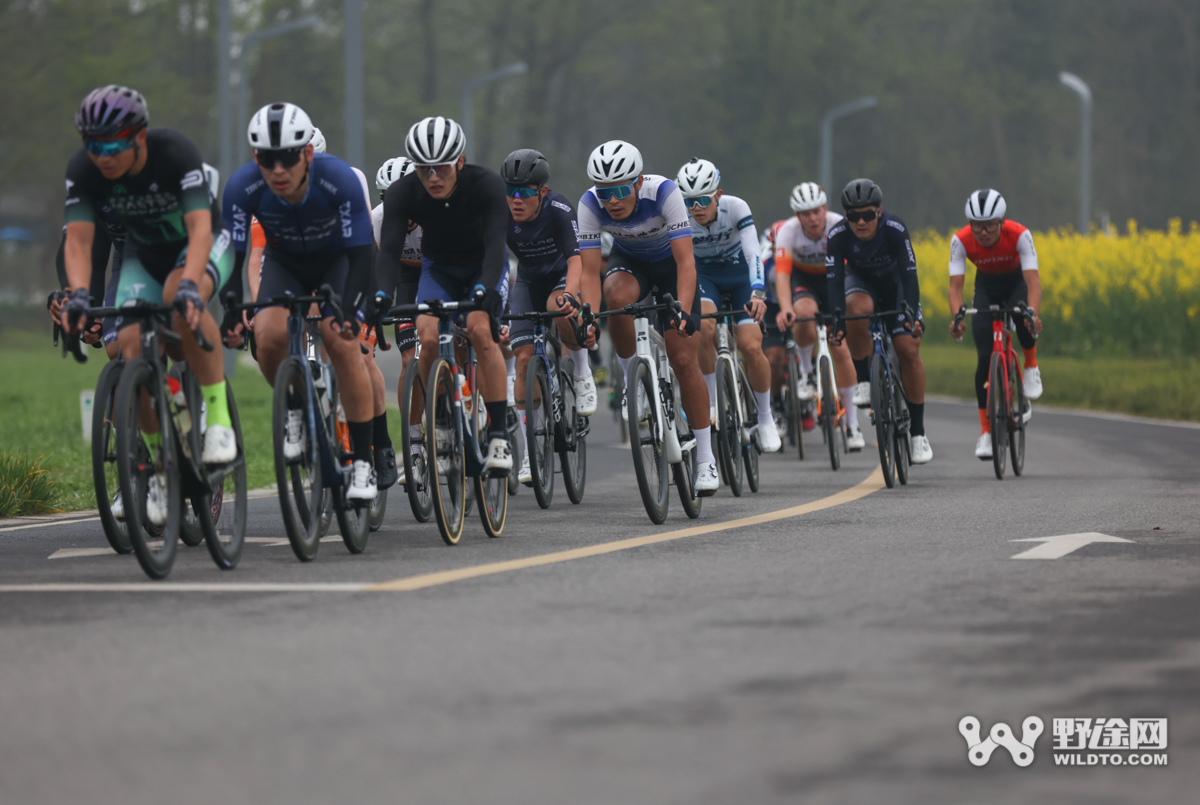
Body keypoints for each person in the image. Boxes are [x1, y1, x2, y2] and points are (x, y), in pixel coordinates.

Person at [61, 85, 237, 524]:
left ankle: (217, 418)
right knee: (132, 347)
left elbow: (200, 230)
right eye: (92, 144)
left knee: (180, 302)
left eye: (112, 144)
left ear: (139, 137)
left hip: (199, 243)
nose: (102, 155)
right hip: (143, 254)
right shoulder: (84, 170)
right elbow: (79, 242)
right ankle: (160, 467)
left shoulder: (174, 151)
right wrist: (79, 295)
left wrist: (194, 285)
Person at [223, 102, 379, 500]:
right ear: (255, 156)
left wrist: (351, 307)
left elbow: (363, 254)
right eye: (267, 159)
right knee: (268, 336)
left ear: (307, 153)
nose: (278, 170)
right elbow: (235, 255)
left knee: (341, 342)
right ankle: (294, 407)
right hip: (286, 263)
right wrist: (232, 307)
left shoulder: (339, 179)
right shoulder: (243, 186)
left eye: (288, 159)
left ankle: (362, 462)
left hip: (336, 262)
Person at [578, 140, 719, 495]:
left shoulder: (664, 194)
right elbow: (590, 272)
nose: (611, 200)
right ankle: (631, 382)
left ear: (638, 182)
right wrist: (591, 318)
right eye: (604, 191)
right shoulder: (589, 204)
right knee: (616, 296)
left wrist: (684, 311)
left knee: (685, 360)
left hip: (672, 266)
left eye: (621, 190)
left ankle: (706, 458)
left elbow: (687, 262)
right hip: (632, 263)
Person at [376, 116, 513, 472]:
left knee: (482, 331)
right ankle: (439, 422)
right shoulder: (402, 192)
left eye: (442, 167)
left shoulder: (486, 184)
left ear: (460, 162)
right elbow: (389, 252)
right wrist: (380, 297)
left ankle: (498, 435)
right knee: (428, 337)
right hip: (438, 268)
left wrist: (487, 289)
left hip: (482, 265)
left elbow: (497, 244)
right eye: (424, 169)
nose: (433, 177)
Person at [500, 148, 597, 485]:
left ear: (541, 192)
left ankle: (583, 373)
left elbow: (576, 260)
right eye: (510, 191)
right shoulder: (501, 214)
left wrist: (571, 294)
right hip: (527, 281)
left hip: (560, 277)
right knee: (523, 361)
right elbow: (494, 263)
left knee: (559, 309)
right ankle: (529, 454)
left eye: (524, 192)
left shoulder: (559, 209)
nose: (516, 199)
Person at [675, 158, 781, 453]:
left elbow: (753, 254)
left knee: (749, 345)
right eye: (689, 201)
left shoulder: (736, 207)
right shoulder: (678, 215)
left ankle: (765, 417)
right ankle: (710, 401)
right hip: (705, 278)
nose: (696, 208)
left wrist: (758, 293)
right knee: (704, 326)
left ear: (717, 195)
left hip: (739, 278)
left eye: (703, 200)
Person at [827, 178, 933, 464]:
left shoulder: (894, 229)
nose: (861, 223)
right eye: (853, 216)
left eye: (868, 215)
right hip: (861, 285)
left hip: (895, 287)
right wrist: (837, 322)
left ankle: (918, 434)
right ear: (846, 216)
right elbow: (835, 283)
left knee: (908, 349)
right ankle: (863, 379)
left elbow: (910, 274)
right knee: (855, 308)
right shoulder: (837, 236)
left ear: (879, 212)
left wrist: (911, 311)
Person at [948, 189, 1043, 459]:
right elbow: (955, 288)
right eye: (977, 226)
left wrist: (1033, 314)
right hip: (986, 286)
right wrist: (957, 317)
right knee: (984, 356)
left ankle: (1030, 365)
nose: (983, 232)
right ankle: (987, 433)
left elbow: (1033, 282)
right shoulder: (961, 240)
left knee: (1023, 319)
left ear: (1001, 222)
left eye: (989, 225)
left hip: (1016, 283)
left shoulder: (1020, 235)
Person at [773, 182, 863, 451]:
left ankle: (853, 425)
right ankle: (807, 373)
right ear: (797, 216)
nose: (812, 219)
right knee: (802, 314)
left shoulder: (840, 225)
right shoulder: (787, 232)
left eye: (817, 212)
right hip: (805, 281)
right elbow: (782, 275)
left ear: (825, 208)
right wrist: (785, 307)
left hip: (836, 279)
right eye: (805, 214)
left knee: (841, 348)